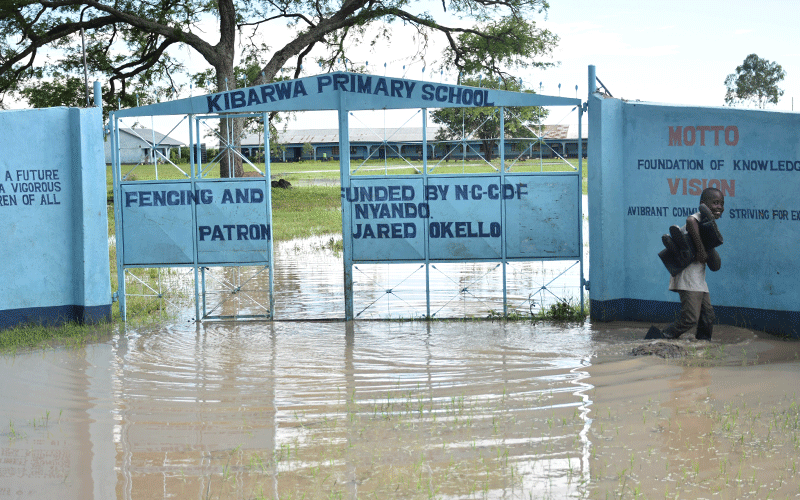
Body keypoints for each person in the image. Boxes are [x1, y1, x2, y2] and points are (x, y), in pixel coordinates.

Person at [646, 187, 725, 340]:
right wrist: (701, 250)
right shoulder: (699, 218)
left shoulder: (708, 225)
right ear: (703, 204)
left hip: (698, 276)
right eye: (715, 203)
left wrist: (708, 250)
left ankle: (703, 343)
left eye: (722, 203)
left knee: (708, 316)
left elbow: (714, 263)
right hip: (688, 274)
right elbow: (690, 221)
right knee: (690, 318)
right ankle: (660, 338)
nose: (719, 207)